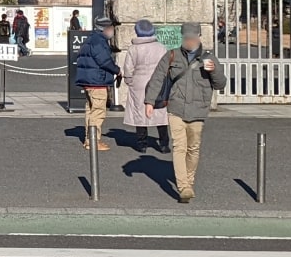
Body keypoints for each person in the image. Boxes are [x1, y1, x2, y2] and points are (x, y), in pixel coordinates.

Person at [144, 22, 223, 202]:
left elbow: (220, 84)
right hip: (176, 108)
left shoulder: (209, 57)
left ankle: (189, 180)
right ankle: (184, 187)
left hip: (198, 110)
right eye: (186, 38)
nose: (189, 42)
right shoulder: (172, 55)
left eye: (193, 38)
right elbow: (157, 78)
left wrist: (214, 71)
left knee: (193, 148)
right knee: (179, 147)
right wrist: (149, 101)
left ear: (199, 37)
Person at [119, 19, 169, 150]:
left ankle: (142, 144)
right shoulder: (161, 47)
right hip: (157, 82)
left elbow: (128, 68)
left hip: (139, 83)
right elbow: (167, 67)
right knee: (160, 112)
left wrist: (129, 81)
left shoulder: (133, 48)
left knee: (139, 112)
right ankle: (164, 143)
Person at [73, 19, 118, 150]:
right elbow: (104, 61)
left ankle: (89, 139)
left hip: (88, 80)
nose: (112, 31)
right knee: (98, 111)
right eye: (111, 28)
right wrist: (117, 70)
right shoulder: (99, 42)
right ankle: (93, 141)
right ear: (105, 28)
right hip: (97, 80)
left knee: (90, 109)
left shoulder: (90, 39)